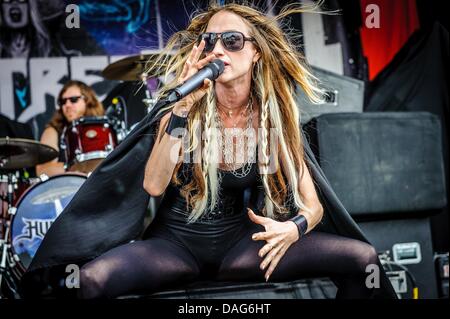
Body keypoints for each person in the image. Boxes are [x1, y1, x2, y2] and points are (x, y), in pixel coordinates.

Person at [22, 3, 397, 299]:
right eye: (209, 41)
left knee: (362, 260)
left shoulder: (274, 116)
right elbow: (153, 185)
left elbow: (312, 206)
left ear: (256, 54)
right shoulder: (183, 107)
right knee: (90, 281)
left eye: (232, 41)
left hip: (242, 247)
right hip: (174, 245)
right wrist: (182, 108)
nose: (218, 49)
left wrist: (292, 229)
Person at [36, 80, 104, 177]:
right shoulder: (53, 131)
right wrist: (76, 167)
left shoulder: (104, 128)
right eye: (63, 101)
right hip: (69, 189)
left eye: (73, 99)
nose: (67, 105)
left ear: (87, 100)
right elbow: (42, 170)